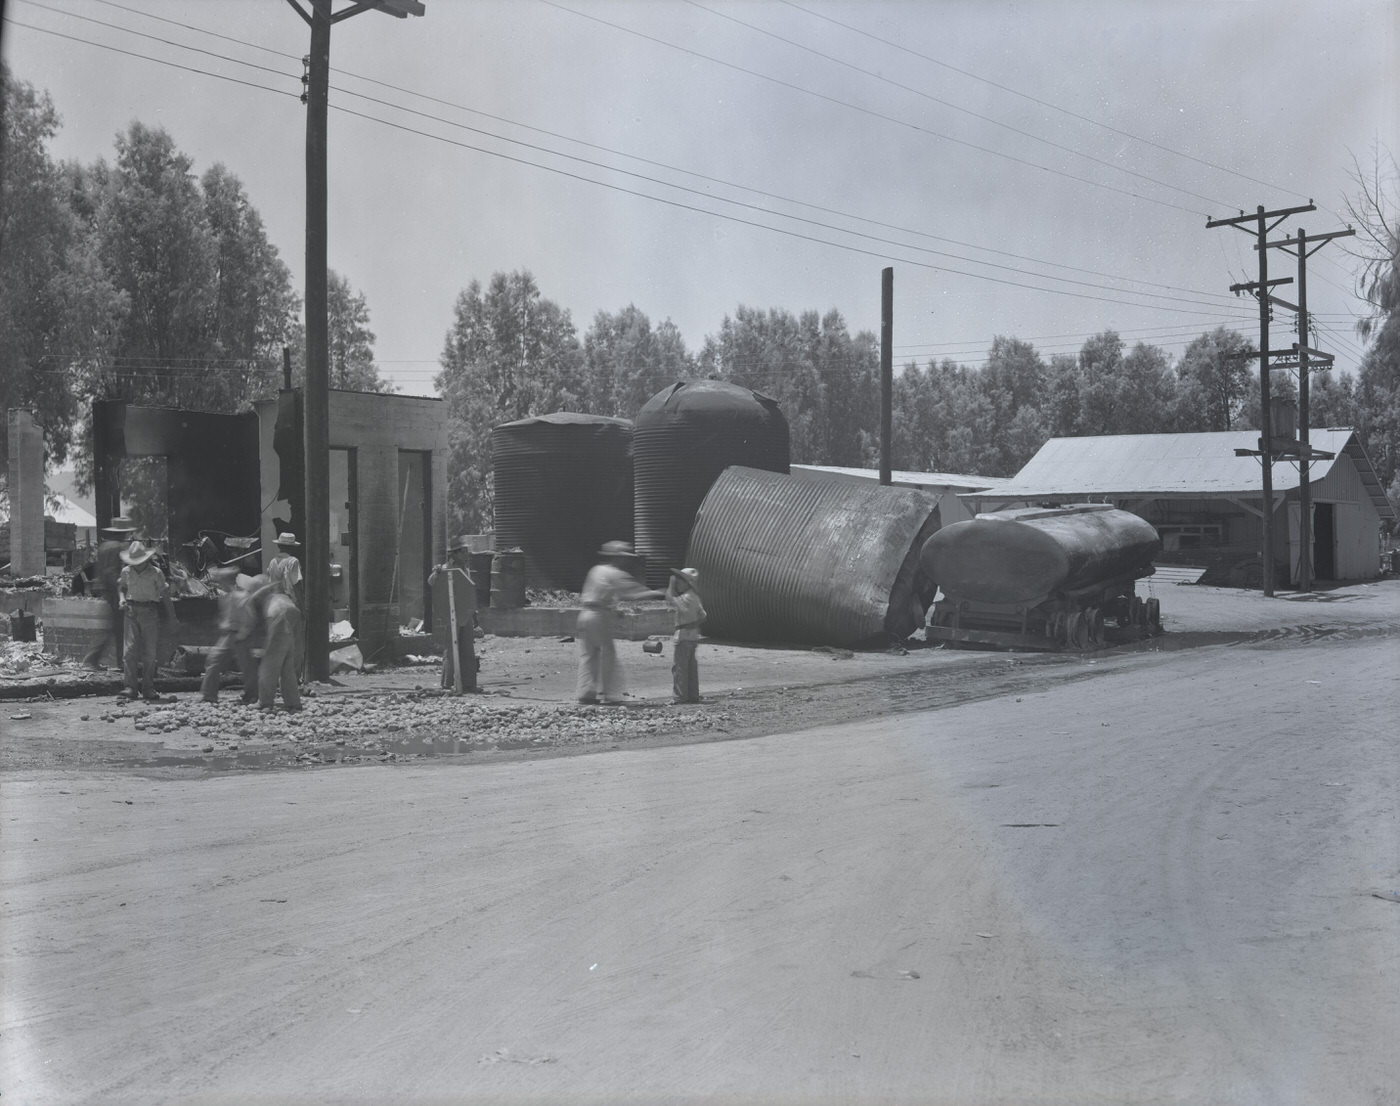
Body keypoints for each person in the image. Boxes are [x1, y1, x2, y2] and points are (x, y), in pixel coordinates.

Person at [576, 540, 663, 705]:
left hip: (585, 613)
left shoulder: (596, 570)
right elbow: (632, 593)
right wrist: (656, 593)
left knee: (589, 655)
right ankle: (610, 693)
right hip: (598, 616)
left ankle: (586, 692)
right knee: (608, 652)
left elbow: (597, 594)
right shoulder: (615, 573)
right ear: (618, 558)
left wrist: (613, 610)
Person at [117, 539, 177, 702]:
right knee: (129, 651)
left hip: (150, 611)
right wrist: (121, 599)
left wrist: (172, 617)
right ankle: (130, 687)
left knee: (149, 653)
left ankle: (148, 688)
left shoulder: (156, 573)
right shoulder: (126, 571)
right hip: (130, 610)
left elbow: (165, 595)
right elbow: (121, 587)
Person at [82, 515, 137, 670]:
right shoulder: (120, 547)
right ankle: (112, 661)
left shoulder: (104, 546)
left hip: (104, 588)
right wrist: (120, 590)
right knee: (119, 628)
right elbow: (114, 571)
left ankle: (99, 660)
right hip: (115, 590)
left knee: (115, 627)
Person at [200, 567, 260, 704]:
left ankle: (252, 695)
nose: (219, 584)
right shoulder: (226, 597)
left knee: (247, 666)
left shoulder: (242, 597)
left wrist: (242, 635)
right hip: (229, 634)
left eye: (221, 581)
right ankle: (209, 695)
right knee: (213, 661)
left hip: (240, 634)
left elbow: (250, 618)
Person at [428, 537, 479, 692]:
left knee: (467, 648)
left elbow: (469, 593)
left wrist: (475, 618)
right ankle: (448, 682)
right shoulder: (445, 569)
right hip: (452, 614)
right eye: (463, 552)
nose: (466, 555)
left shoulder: (465, 569)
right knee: (452, 648)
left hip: (466, 614)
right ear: (454, 554)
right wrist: (437, 573)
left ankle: (469, 683)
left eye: (466, 551)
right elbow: (431, 582)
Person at [250, 574, 302, 712]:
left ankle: (265, 702)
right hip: (291, 627)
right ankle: (293, 702)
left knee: (268, 667)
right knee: (287, 670)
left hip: (278, 624)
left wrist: (266, 647)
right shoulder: (281, 598)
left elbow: (272, 626)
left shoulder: (268, 605)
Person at [265, 531, 305, 682]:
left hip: (275, 602)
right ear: (293, 548)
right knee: (295, 643)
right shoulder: (293, 561)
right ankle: (294, 677)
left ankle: (277, 677)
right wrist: (302, 606)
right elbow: (297, 585)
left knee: (278, 641)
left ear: (279, 546)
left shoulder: (273, 561)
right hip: (289, 603)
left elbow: (270, 584)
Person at [665, 566, 707, 704]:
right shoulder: (695, 596)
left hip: (683, 637)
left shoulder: (687, 597)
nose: (678, 583)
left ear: (687, 582)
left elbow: (671, 600)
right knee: (691, 668)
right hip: (693, 636)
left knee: (680, 668)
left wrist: (670, 586)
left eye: (680, 580)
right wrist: (693, 624)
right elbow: (703, 616)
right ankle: (693, 695)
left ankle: (680, 697)